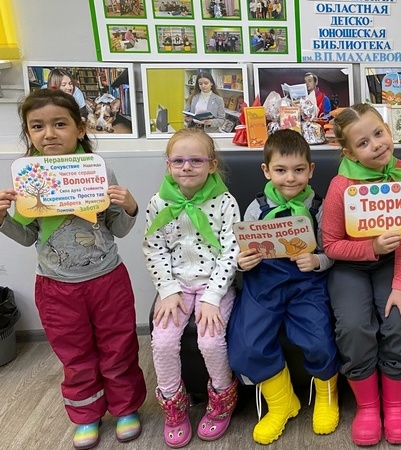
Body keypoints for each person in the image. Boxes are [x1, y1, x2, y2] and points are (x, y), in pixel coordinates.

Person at [0, 89, 146, 450]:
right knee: (74, 354)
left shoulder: (98, 170)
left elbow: (118, 230)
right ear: (28, 133)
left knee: (119, 346)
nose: (49, 134)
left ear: (80, 128)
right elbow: (26, 237)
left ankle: (125, 408)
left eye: (59, 124)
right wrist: (2, 219)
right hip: (56, 286)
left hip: (107, 278)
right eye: (37, 126)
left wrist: (130, 207)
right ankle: (86, 415)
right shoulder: (29, 177)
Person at [227, 130, 340, 445]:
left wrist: (317, 261)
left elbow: (332, 251)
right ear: (266, 171)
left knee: (319, 338)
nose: (290, 178)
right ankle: (282, 403)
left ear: (311, 170)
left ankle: (327, 396)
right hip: (264, 283)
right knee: (247, 343)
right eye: (280, 170)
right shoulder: (256, 208)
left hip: (307, 284)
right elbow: (241, 251)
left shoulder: (320, 207)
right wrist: (242, 262)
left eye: (298, 170)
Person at [321, 104, 401, 446]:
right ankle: (367, 406)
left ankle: (394, 404)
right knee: (353, 327)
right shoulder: (341, 186)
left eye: (379, 133)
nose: (376, 145)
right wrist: (372, 247)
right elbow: (331, 245)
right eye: (363, 143)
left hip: (393, 263)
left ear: (388, 131)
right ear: (349, 153)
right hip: (350, 265)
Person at [143, 128, 240, 448]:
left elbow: (231, 251)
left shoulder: (225, 202)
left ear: (212, 165)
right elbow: (154, 248)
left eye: (196, 160)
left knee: (210, 341)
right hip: (177, 287)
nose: (187, 167)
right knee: (162, 342)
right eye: (178, 161)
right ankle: (174, 405)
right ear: (168, 165)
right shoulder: (158, 202)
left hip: (215, 286)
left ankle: (222, 399)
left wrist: (212, 297)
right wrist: (167, 290)